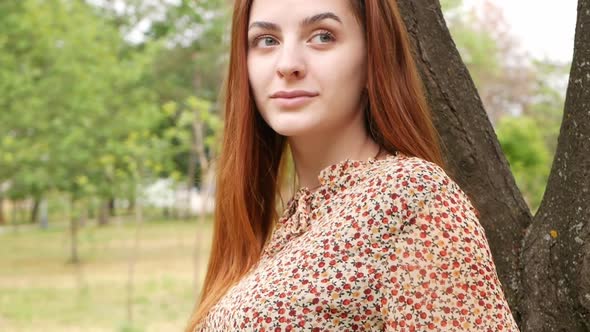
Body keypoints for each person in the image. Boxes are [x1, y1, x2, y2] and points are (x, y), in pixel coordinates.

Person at [186, 0, 520, 331]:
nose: (287, 64)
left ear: (374, 57)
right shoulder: (287, 225)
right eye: (267, 40)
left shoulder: (411, 194)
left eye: (322, 36)